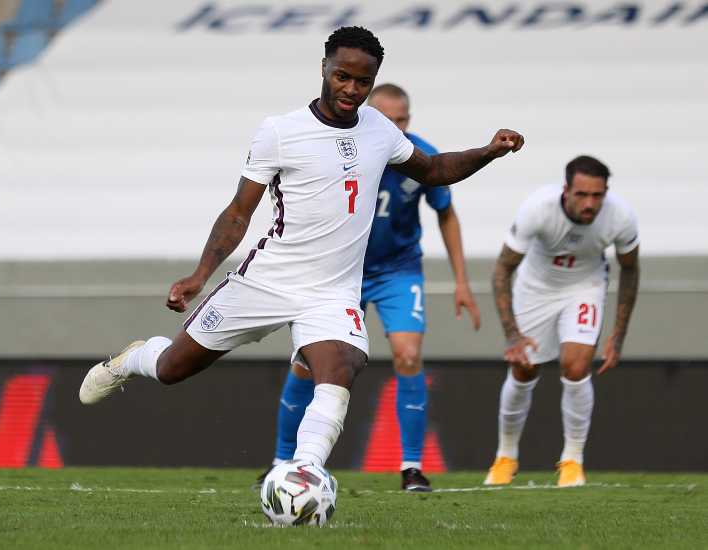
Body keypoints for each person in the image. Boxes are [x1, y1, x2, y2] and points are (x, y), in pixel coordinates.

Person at [79, 26, 524, 472]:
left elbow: (434, 169)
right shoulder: (281, 132)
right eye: (342, 76)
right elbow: (238, 212)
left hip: (332, 292)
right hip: (269, 280)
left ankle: (304, 474)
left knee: (342, 367)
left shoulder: (379, 129)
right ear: (324, 69)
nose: (351, 89)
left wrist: (488, 151)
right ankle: (131, 359)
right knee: (173, 368)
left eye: (363, 81)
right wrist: (200, 275)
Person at [259, 83, 481, 492]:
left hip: (398, 269)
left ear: (409, 121)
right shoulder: (342, 149)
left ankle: (411, 467)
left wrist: (462, 281)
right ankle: (281, 460)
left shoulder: (420, 155)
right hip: (340, 272)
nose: (395, 127)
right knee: (305, 364)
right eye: (388, 119)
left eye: (402, 120)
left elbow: (446, 213)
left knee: (408, 354)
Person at [484, 155, 639, 487]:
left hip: (585, 287)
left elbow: (630, 269)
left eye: (597, 196)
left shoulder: (621, 216)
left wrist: (618, 335)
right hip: (535, 288)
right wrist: (512, 335)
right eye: (582, 194)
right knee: (524, 369)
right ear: (566, 189)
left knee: (576, 365)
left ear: (606, 192)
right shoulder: (537, 209)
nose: (590, 204)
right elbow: (501, 270)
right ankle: (505, 456)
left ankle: (572, 461)